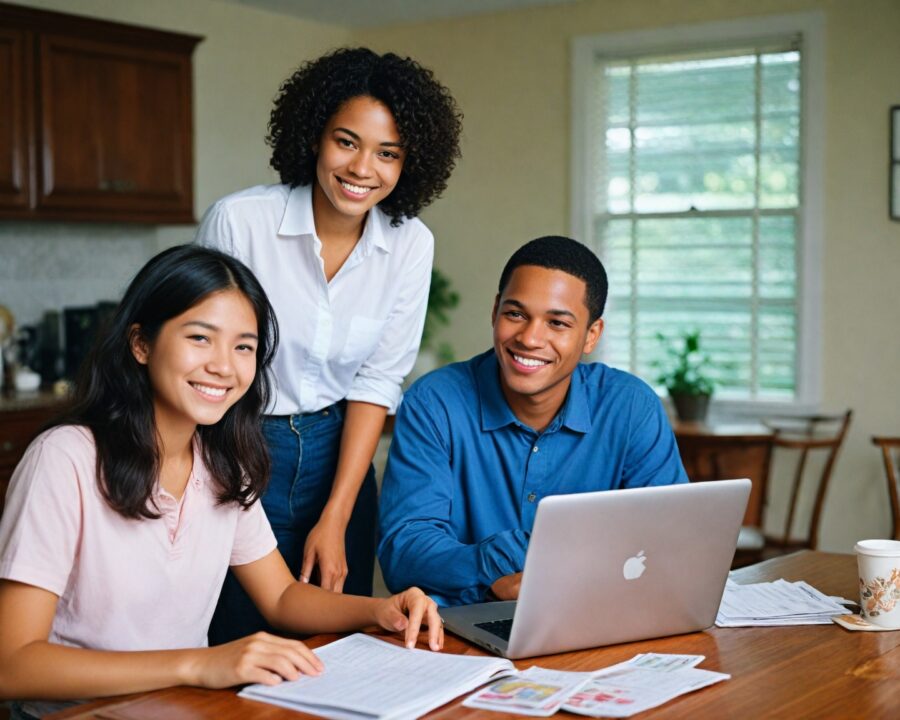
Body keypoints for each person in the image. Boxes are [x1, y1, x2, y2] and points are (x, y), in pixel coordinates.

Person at [0, 246, 441, 720]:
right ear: (140, 344)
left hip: (183, 708)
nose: (224, 367)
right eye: (200, 338)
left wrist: (379, 611)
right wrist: (200, 663)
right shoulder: (65, 457)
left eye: (243, 347)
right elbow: (12, 666)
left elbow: (281, 597)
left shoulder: (223, 462)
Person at [195, 47, 462, 642]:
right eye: (347, 142)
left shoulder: (411, 244)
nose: (363, 167)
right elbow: (207, 363)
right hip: (236, 441)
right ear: (314, 136)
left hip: (339, 451)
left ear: (409, 163)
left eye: (387, 153)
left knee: (342, 647)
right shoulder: (240, 222)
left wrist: (337, 513)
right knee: (239, 640)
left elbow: (375, 382)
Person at [378, 236, 689, 607]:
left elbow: (672, 538)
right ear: (495, 311)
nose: (529, 338)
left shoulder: (630, 406)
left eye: (557, 323)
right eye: (516, 314)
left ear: (591, 335)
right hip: (461, 631)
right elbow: (404, 550)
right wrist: (494, 570)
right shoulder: (434, 404)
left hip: (594, 614)